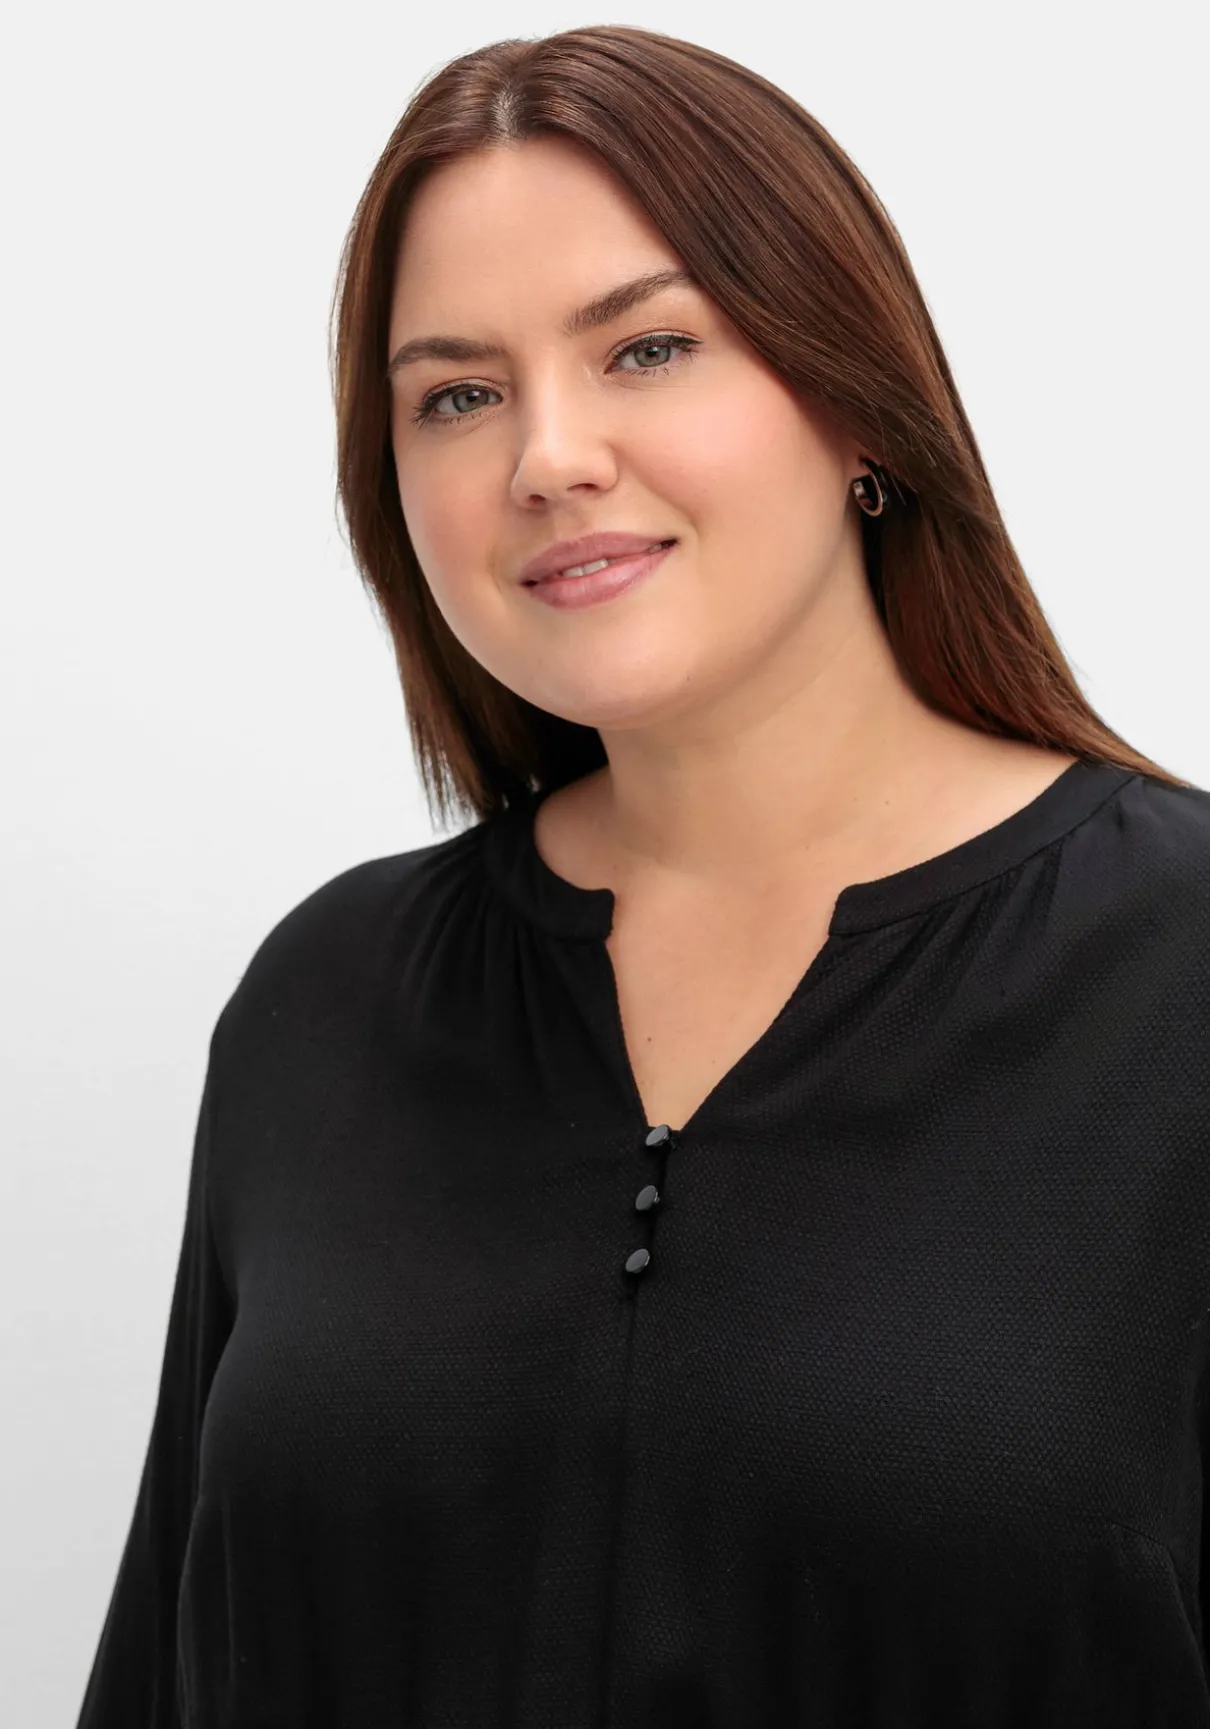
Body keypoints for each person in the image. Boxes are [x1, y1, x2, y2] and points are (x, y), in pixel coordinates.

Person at [76, 23, 1210, 1728]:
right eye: (457, 395)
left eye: (649, 347)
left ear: (856, 399)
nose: (546, 456)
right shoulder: (325, 1002)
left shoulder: (1178, 978)